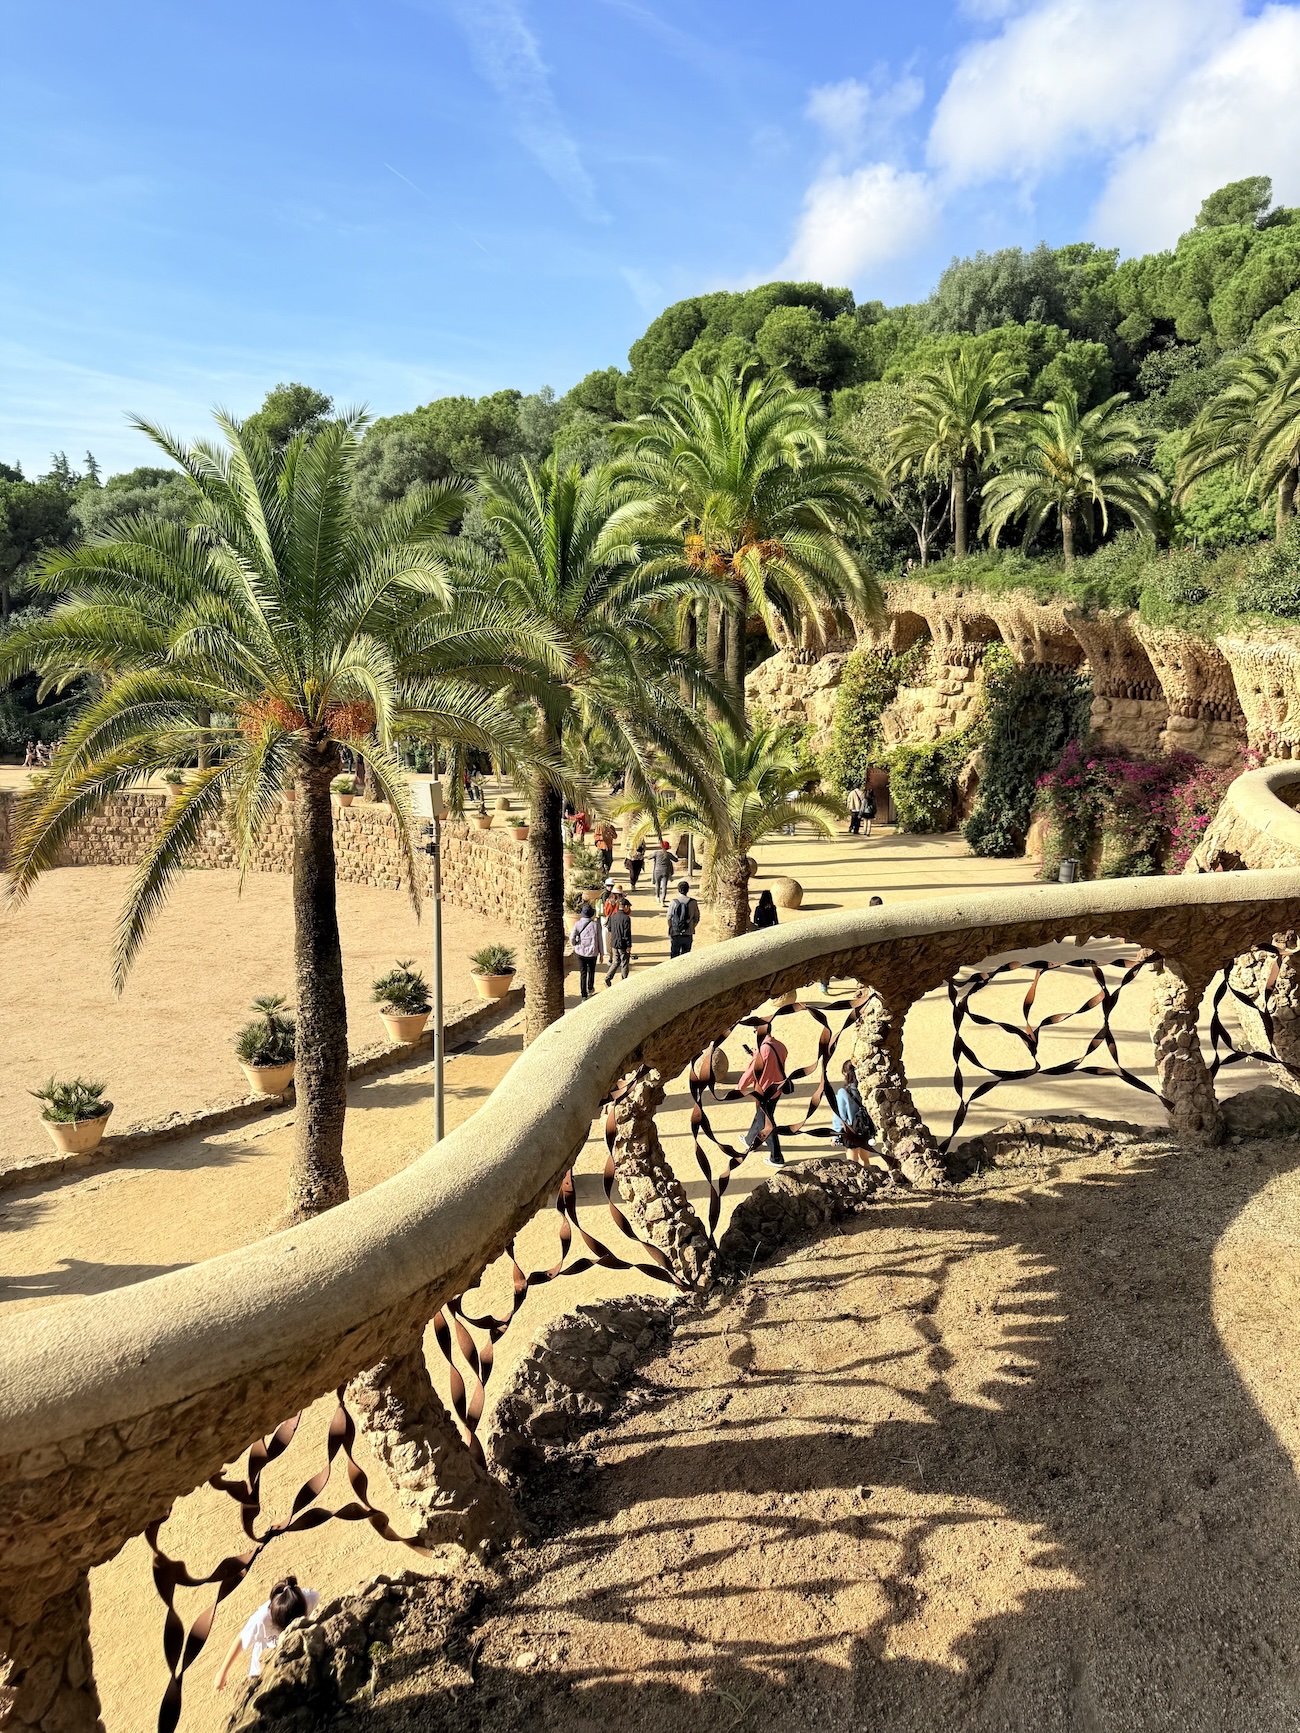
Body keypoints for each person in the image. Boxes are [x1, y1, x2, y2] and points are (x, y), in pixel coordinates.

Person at [214, 1576, 318, 1690]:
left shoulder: (310, 1599)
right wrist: (223, 1672)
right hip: (263, 1664)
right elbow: (241, 1639)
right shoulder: (261, 1620)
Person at [738, 1022, 789, 1166]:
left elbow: (751, 1072)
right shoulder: (780, 1046)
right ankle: (750, 1140)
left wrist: (740, 1088)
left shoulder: (763, 1050)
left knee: (766, 1124)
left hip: (763, 1092)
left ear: (758, 1032)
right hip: (777, 1089)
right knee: (761, 1116)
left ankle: (776, 1158)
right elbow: (772, 1061)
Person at [832, 1060, 877, 1156]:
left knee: (852, 1161)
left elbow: (840, 1116)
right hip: (864, 1130)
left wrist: (836, 1136)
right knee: (865, 1160)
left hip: (851, 1132)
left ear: (845, 1074)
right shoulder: (864, 1089)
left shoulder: (843, 1092)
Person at [570, 901, 600, 1000]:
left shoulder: (577, 924)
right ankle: (590, 989)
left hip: (580, 952)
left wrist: (575, 944)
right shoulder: (595, 925)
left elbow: (572, 937)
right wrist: (601, 953)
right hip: (592, 952)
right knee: (591, 971)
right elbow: (599, 940)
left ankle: (583, 995)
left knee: (583, 973)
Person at [666, 879, 700, 957]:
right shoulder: (693, 902)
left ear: (678, 890)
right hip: (688, 933)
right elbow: (696, 918)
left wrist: (672, 927)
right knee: (686, 956)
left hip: (675, 933)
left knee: (674, 955)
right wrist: (691, 927)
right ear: (688, 890)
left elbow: (669, 918)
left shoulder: (673, 902)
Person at [605, 895, 633, 984]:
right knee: (624, 962)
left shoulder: (612, 916)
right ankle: (624, 981)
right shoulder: (626, 918)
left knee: (616, 962)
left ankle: (607, 978)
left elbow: (609, 929)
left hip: (614, 943)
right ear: (625, 906)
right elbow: (627, 933)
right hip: (623, 944)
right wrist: (628, 945)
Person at [651, 839, 676, 906]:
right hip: (666, 871)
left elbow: (649, 857)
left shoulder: (656, 853)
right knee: (664, 886)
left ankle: (657, 897)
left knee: (657, 884)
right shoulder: (668, 854)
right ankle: (663, 900)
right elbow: (676, 860)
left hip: (657, 871)